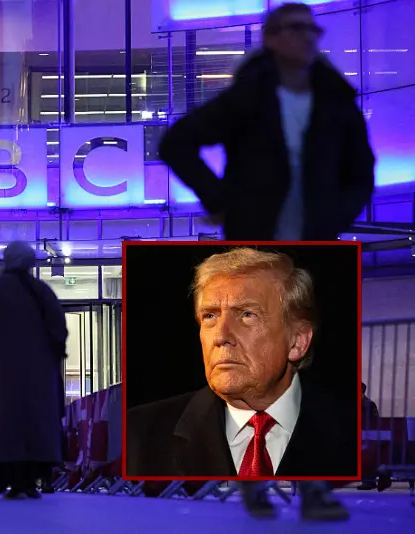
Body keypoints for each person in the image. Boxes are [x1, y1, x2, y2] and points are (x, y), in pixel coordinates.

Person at [126, 248, 356, 516]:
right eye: (209, 316)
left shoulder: (348, 429)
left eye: (247, 314)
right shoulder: (139, 434)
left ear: (297, 341)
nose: (220, 336)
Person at [158, 3, 375, 242]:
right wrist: (220, 200)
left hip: (315, 240)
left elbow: (361, 168)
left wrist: (336, 215)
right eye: (296, 28)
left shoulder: (336, 102)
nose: (307, 36)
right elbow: (176, 143)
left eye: (313, 29)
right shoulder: (249, 97)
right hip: (254, 241)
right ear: (271, 38)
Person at [0, 241, 68, 499]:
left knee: (5, 424)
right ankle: (32, 478)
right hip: (38, 373)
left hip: (0, 371)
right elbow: (58, 330)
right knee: (35, 424)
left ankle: (9, 478)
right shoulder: (41, 292)